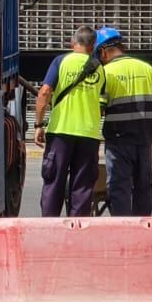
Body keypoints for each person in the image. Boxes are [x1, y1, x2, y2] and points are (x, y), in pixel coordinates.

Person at [96, 27, 152, 216]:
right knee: (143, 181)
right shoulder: (146, 68)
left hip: (118, 137)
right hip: (144, 134)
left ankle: (122, 224)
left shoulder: (106, 72)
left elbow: (100, 107)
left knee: (119, 183)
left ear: (103, 51)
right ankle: (143, 223)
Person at [34, 27, 103, 217]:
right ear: (93, 46)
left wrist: (38, 125)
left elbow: (45, 92)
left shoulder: (61, 61)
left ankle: (50, 226)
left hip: (60, 132)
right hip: (88, 133)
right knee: (82, 185)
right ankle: (77, 230)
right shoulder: (99, 67)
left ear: (73, 43)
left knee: (54, 180)